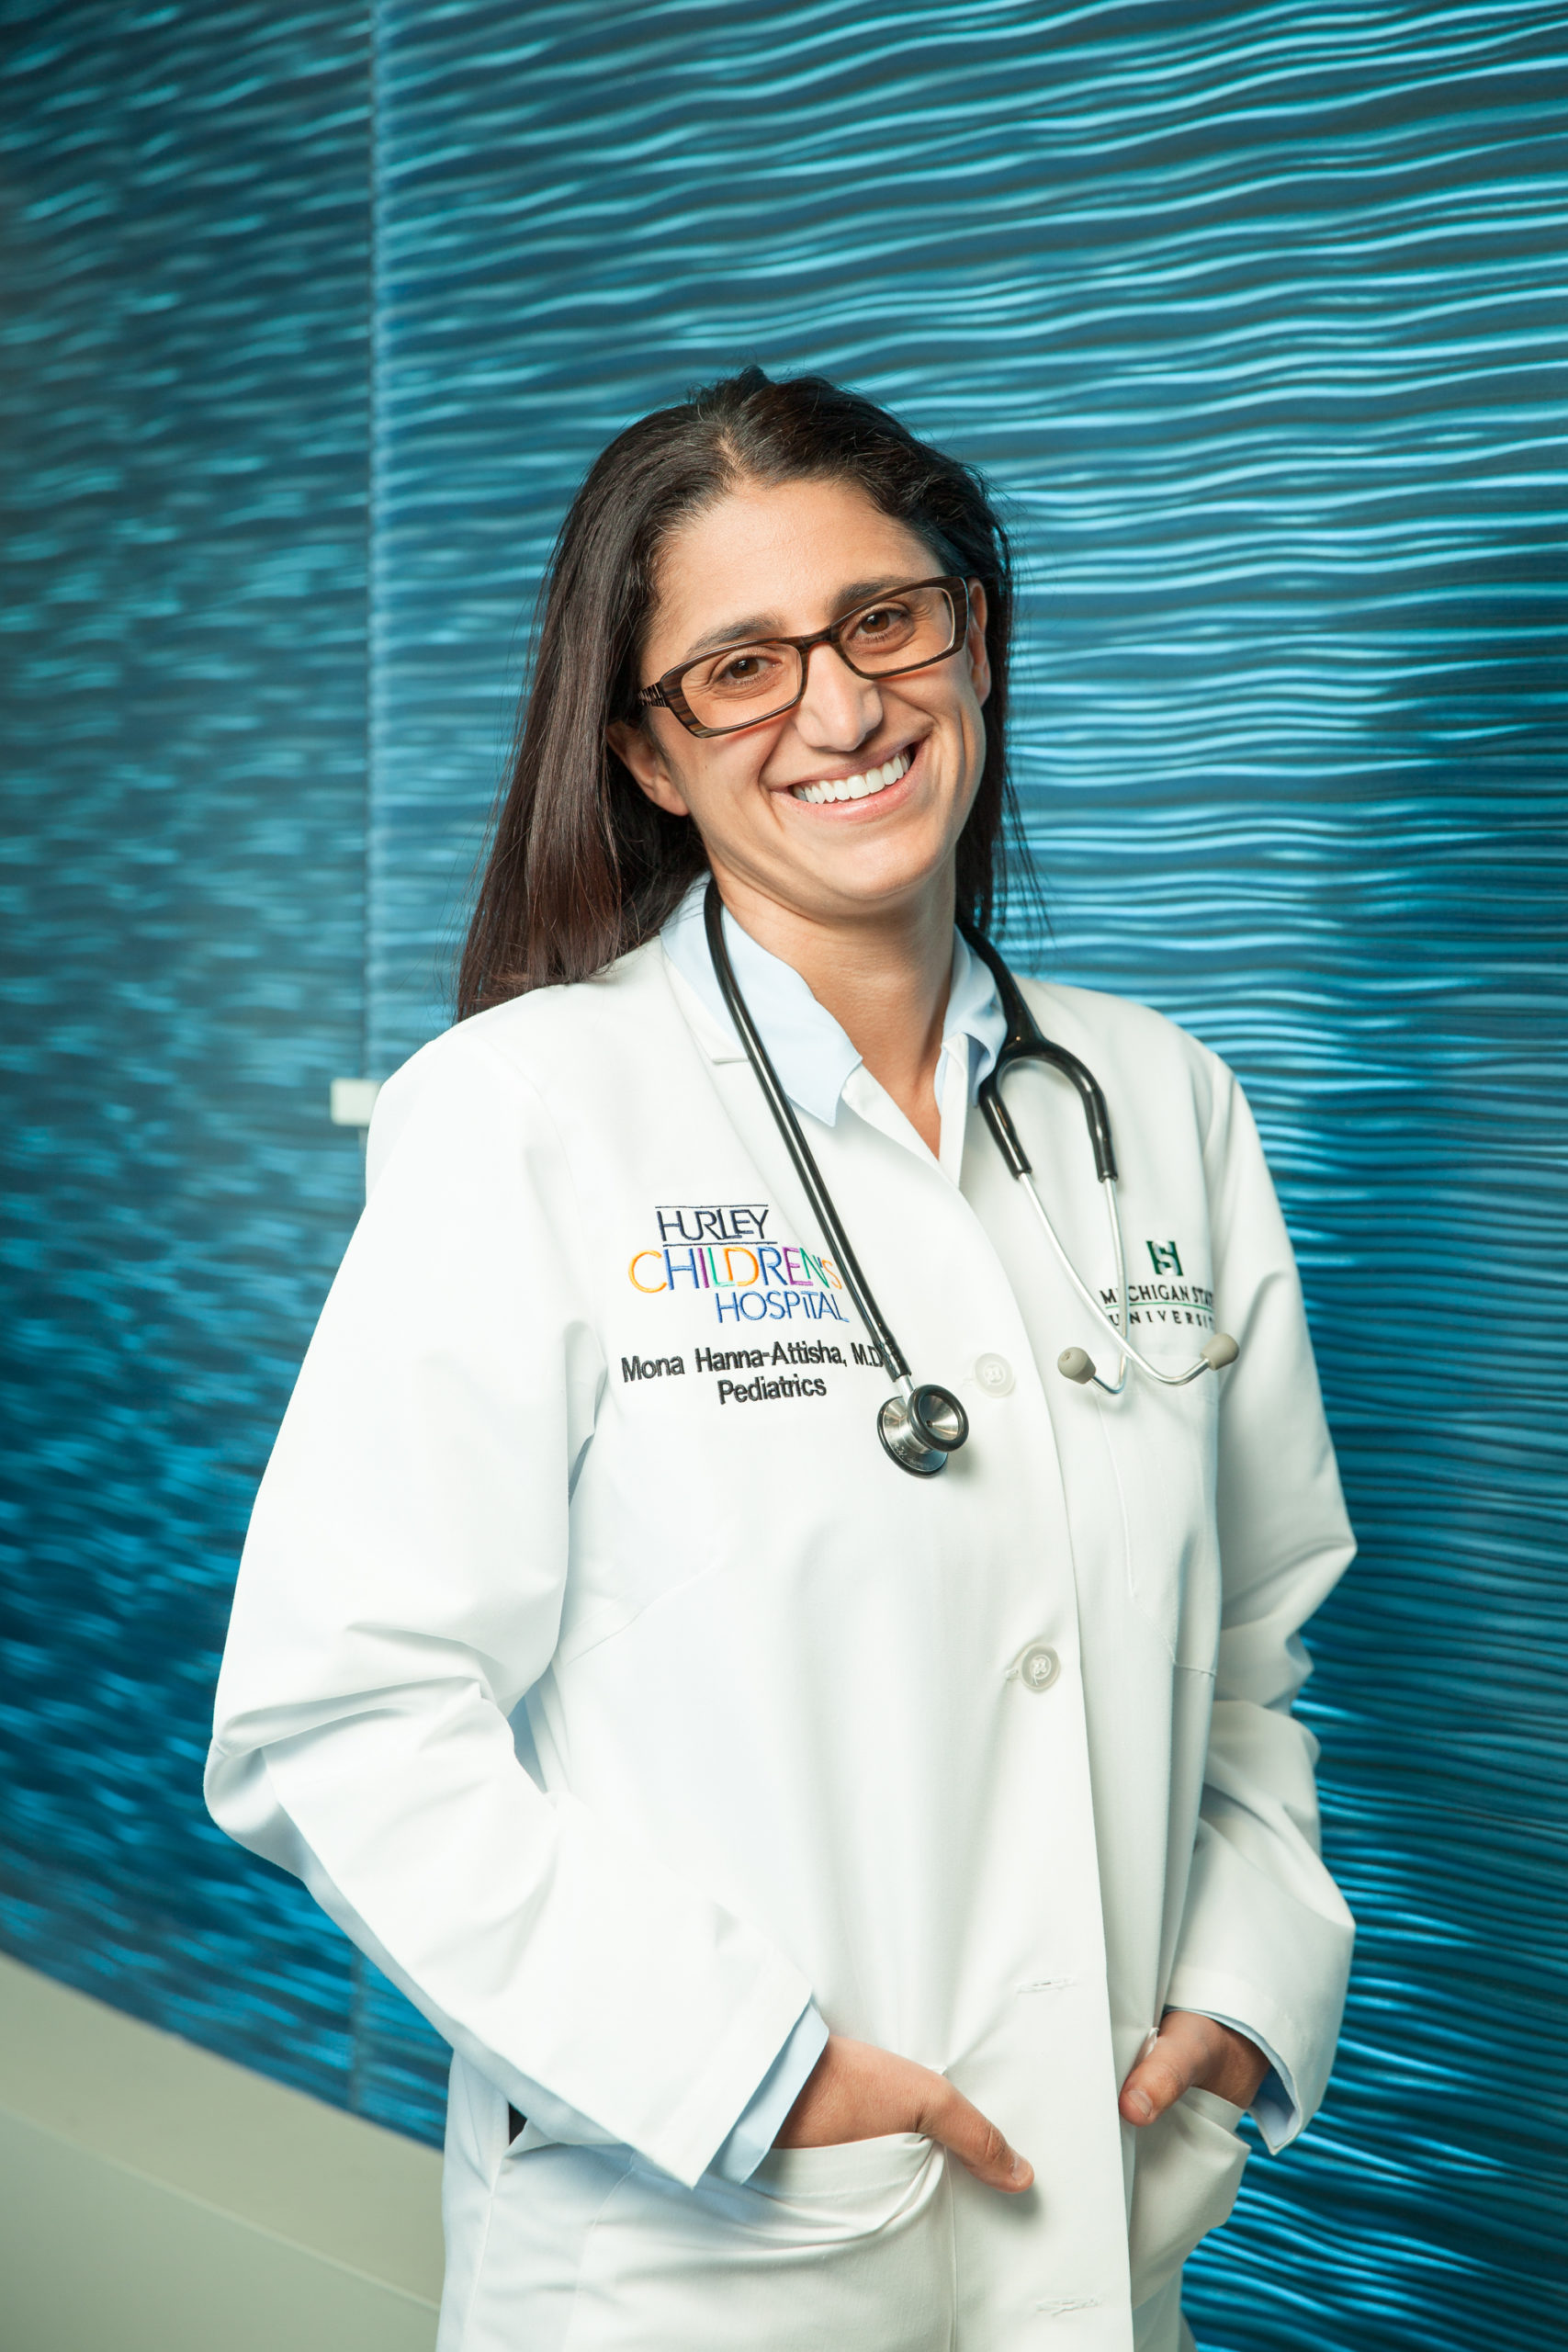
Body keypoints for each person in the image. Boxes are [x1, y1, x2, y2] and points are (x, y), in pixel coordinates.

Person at [207, 368, 1355, 2352]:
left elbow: (1248, 1656)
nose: (838, 707)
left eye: (883, 619)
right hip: (710, 2247)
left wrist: (1243, 1992)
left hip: (1095, 2209)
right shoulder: (529, 1113)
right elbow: (341, 1720)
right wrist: (746, 2069)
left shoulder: (1158, 1102)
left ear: (967, 635)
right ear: (648, 756)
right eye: (734, 666)